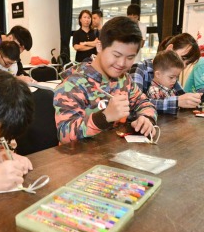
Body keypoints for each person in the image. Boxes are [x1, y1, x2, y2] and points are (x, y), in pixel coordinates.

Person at [54, 16, 157, 144]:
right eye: (116, 55)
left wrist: (146, 118)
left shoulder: (124, 79)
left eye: (130, 57)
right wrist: (105, 116)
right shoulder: (72, 84)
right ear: (99, 47)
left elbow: (144, 102)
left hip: (114, 153)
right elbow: (64, 134)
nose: (122, 63)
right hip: (79, 160)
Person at [132, 33, 202, 114]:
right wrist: (176, 102)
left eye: (187, 63)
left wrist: (194, 98)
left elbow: (181, 95)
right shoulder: (139, 68)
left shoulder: (172, 74)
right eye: (183, 58)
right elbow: (135, 103)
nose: (183, 66)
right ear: (169, 49)